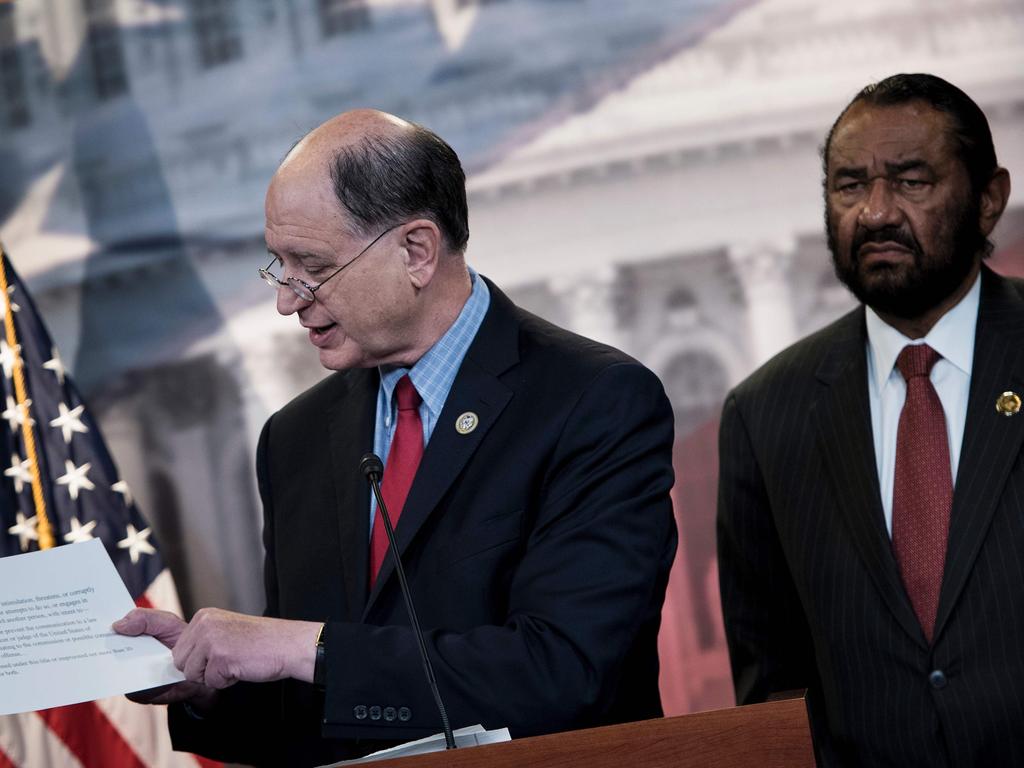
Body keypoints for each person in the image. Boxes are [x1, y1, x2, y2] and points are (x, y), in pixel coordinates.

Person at [114, 110, 678, 766]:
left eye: (312, 268)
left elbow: (564, 675)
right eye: (279, 267)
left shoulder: (594, 402)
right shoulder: (294, 438)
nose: (287, 302)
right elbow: (323, 708)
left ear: (416, 251)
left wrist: (304, 646)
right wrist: (211, 684)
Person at [717, 73, 1020, 767]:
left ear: (989, 198)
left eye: (911, 181)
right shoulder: (766, 415)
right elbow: (772, 686)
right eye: (849, 186)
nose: (875, 213)